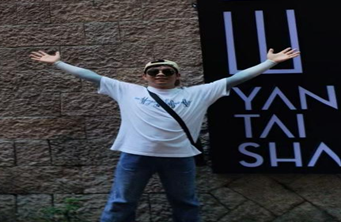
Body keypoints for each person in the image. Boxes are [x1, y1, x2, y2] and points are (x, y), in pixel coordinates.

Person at [29, 47, 301, 222]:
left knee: (186, 205)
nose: (160, 73)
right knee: (121, 203)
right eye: (154, 71)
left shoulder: (199, 93)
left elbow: (237, 79)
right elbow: (91, 76)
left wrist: (269, 63)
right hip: (136, 156)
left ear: (177, 76)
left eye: (167, 71)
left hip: (180, 158)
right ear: (145, 76)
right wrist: (58, 63)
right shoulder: (127, 90)